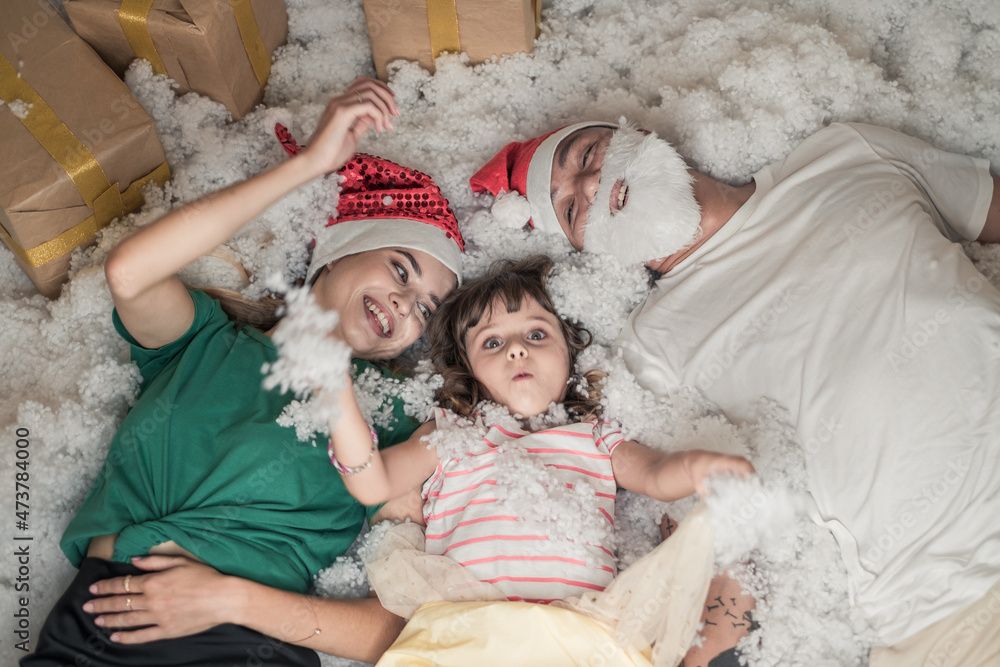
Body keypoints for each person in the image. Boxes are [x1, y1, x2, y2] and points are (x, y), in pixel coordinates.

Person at [471, 120, 1000, 665]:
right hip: (949, 604)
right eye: (572, 211)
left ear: (645, 133)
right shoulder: (647, 349)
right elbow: (718, 526)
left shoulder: (846, 154)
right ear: (593, 249)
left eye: (588, 155)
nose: (587, 187)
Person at [23, 77, 466, 666]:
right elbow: (131, 273)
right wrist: (309, 166)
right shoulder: (204, 341)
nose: (407, 305)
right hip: (94, 631)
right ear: (336, 252)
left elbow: (393, 630)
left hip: (243, 645)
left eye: (427, 310)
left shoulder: (393, 419)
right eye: (401, 270)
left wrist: (232, 600)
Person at [326, 255, 757, 667]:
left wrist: (698, 469)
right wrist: (336, 393)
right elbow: (373, 483)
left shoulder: (595, 436)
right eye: (492, 342)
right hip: (467, 635)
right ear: (469, 368)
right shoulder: (452, 432)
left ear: (570, 352)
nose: (516, 350)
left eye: (535, 335)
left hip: (579, 639)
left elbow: (655, 475)